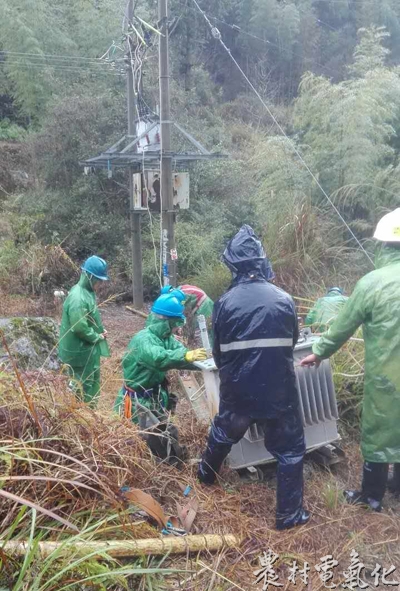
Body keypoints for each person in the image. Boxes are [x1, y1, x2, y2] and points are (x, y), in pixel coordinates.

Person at [197, 225, 309, 531]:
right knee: (289, 450)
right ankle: (288, 515)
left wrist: (235, 374)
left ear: (232, 264)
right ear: (261, 262)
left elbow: (219, 354)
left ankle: (205, 476)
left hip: (239, 388)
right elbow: (292, 344)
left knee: (224, 431)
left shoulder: (224, 303)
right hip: (279, 389)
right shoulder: (284, 299)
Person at [301, 208, 400, 511]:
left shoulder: (372, 283)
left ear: (381, 245)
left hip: (386, 376)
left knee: (379, 430)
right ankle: (397, 488)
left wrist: (319, 352)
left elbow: (343, 326)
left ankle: (371, 497)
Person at [114, 292, 207, 460]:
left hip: (153, 398)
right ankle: (150, 469)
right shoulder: (144, 340)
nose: (177, 328)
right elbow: (158, 358)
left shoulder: (165, 338)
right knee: (135, 441)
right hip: (136, 402)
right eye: (175, 323)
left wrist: (206, 362)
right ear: (165, 321)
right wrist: (186, 356)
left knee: (165, 433)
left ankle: (169, 460)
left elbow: (179, 354)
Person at [59, 256, 110, 408]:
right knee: (81, 386)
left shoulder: (87, 292)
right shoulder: (78, 297)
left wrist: (99, 330)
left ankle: (91, 413)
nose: (100, 284)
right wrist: (96, 336)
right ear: (89, 276)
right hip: (79, 352)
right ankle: (81, 416)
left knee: (91, 383)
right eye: (99, 280)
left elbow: (89, 319)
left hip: (88, 350)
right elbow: (80, 327)